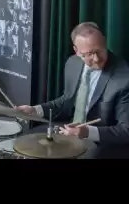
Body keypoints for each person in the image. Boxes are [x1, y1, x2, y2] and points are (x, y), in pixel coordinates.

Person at [16, 22, 129, 159]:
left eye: (99, 50)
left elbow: (126, 131)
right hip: (70, 131)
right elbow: (66, 101)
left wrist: (87, 132)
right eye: (89, 54)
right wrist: (35, 110)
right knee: (27, 141)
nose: (96, 59)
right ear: (77, 51)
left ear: (104, 41)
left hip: (102, 142)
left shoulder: (124, 78)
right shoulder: (73, 63)